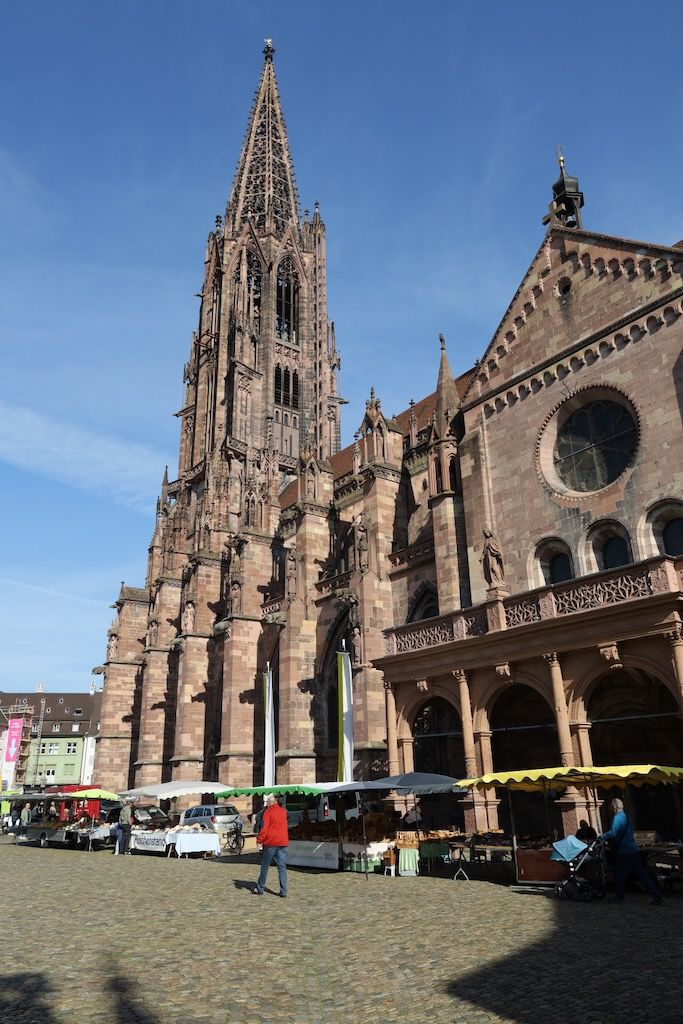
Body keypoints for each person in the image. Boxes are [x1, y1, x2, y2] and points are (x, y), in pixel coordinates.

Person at [599, 798, 663, 905]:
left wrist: (602, 836)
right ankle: (656, 895)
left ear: (613, 807)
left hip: (623, 851)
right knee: (642, 874)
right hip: (632, 849)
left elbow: (613, 833)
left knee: (619, 874)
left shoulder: (617, 817)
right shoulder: (627, 816)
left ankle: (619, 897)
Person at [253, 795, 288, 897]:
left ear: (269, 803)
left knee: (265, 866)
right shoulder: (283, 811)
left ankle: (260, 888)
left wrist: (259, 840)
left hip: (271, 842)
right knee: (282, 866)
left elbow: (264, 829)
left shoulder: (268, 812)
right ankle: (283, 891)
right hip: (283, 841)